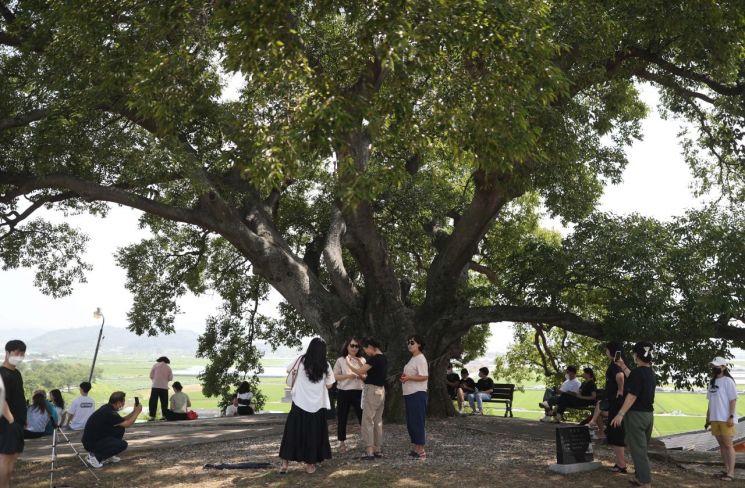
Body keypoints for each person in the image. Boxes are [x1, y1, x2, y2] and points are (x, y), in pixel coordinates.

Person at [278, 338, 335, 474]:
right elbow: (329, 385)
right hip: (317, 405)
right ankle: (310, 465)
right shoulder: (326, 365)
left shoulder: (301, 360)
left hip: (299, 403)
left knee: (292, 433)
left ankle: (285, 464)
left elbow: (288, 370)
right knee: (313, 434)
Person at [611, 342, 656, 488]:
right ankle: (639, 478)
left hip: (636, 416)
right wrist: (623, 366)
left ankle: (644, 482)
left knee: (638, 451)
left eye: (634, 354)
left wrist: (620, 413)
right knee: (641, 449)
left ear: (637, 355)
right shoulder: (649, 372)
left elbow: (632, 395)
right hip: (648, 416)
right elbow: (634, 379)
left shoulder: (638, 372)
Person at [347, 337, 387, 460]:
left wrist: (347, 363)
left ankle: (369, 450)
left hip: (372, 391)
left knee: (367, 420)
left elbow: (360, 371)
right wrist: (361, 364)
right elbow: (369, 371)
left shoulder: (374, 359)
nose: (366, 353)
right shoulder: (383, 358)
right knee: (378, 421)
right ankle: (377, 449)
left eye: (366, 350)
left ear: (370, 347)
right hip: (381, 391)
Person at [82, 391, 143, 468]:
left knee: (119, 429)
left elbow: (122, 420)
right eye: (123, 402)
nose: (123, 405)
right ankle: (95, 457)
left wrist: (134, 411)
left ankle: (109, 455)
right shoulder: (109, 412)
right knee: (123, 444)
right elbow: (128, 424)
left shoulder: (107, 408)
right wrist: (137, 413)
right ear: (118, 402)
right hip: (91, 443)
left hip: (93, 439)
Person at [705, 357, 738, 482]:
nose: (715, 368)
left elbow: (733, 400)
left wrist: (731, 416)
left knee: (728, 445)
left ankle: (731, 473)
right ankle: (727, 469)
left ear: (724, 367)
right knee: (722, 445)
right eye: (714, 366)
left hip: (725, 419)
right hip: (714, 418)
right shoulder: (712, 382)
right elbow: (710, 402)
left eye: (717, 366)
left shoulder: (728, 381)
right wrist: (708, 417)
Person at [0, 340, 27, 488]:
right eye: (17, 352)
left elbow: (19, 397)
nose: (20, 356)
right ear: (8, 352)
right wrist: (11, 419)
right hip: (7, 423)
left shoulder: (16, 373)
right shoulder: (2, 373)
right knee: (5, 459)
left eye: (22, 353)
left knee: (13, 457)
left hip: (18, 422)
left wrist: (23, 418)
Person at [598, 341, 627, 474]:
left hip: (616, 403)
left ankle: (621, 465)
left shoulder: (615, 364)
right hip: (615, 403)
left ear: (611, 351)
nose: (605, 352)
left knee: (616, 434)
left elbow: (620, 376)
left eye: (607, 349)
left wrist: (620, 390)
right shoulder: (619, 362)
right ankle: (620, 463)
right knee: (614, 432)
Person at [333, 337, 365, 453]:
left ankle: (367, 442)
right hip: (344, 392)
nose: (354, 348)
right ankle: (341, 443)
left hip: (359, 391)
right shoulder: (340, 360)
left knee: (363, 417)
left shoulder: (362, 360)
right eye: (352, 345)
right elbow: (335, 376)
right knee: (342, 417)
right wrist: (347, 376)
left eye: (357, 346)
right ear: (347, 346)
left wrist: (359, 375)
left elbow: (366, 376)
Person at [401, 335, 428, 459]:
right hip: (409, 393)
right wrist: (405, 378)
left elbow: (424, 376)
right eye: (408, 342)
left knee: (417, 421)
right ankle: (416, 448)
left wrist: (409, 378)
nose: (409, 344)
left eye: (412, 342)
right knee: (411, 422)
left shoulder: (421, 358)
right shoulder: (413, 359)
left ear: (419, 345)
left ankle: (421, 450)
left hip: (417, 393)